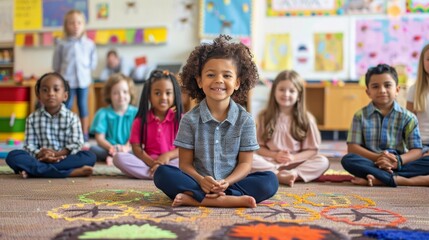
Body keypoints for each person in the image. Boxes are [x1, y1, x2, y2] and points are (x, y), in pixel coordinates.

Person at [153, 35, 278, 208]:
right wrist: (202, 180)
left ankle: (198, 199)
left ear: (237, 82)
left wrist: (226, 182)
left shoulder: (246, 120)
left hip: (231, 183)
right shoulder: (189, 119)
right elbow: (185, 164)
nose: (219, 80)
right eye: (211, 74)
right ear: (199, 81)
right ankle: (226, 200)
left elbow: (245, 164)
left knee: (270, 180)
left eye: (227, 75)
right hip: (198, 182)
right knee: (162, 173)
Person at [341, 63, 429, 187]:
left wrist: (397, 161)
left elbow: (416, 151)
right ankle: (391, 177)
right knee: (348, 160)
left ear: (397, 90)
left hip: (399, 162)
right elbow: (353, 148)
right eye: (375, 86)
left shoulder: (408, 117)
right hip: (372, 161)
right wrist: (379, 158)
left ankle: (380, 177)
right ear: (368, 92)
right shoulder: (360, 116)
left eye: (387, 85)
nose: (382, 90)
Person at [5, 72, 96, 178]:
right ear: (38, 95)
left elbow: (76, 144)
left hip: (64, 158)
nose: (51, 93)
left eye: (56, 89)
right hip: (40, 158)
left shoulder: (73, 118)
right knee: (13, 156)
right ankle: (70, 172)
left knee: (90, 156)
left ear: (65, 96)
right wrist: (41, 154)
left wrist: (56, 155)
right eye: (45, 90)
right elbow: (29, 146)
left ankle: (35, 171)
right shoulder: (32, 118)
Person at [252, 70, 329, 187]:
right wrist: (275, 156)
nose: (286, 94)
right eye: (282, 89)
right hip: (270, 161)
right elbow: (259, 148)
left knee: (323, 161)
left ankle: (293, 174)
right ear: (274, 92)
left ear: (299, 95)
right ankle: (278, 174)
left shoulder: (307, 119)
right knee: (249, 159)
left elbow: (312, 150)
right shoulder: (263, 116)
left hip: (296, 163)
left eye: (292, 91)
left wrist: (293, 157)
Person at [113, 69, 184, 179]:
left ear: (174, 95)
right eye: (157, 93)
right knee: (118, 158)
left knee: (192, 160)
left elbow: (185, 148)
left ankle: (157, 173)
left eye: (168, 93)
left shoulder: (181, 119)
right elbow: (136, 148)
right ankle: (161, 174)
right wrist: (153, 163)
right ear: (149, 96)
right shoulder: (140, 120)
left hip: (171, 161)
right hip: (148, 163)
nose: (163, 97)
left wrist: (167, 156)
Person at [52, 9, 98, 141]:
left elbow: (93, 62)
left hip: (83, 81)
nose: (76, 25)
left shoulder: (89, 44)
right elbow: (56, 64)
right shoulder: (61, 44)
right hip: (67, 82)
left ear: (83, 25)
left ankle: (84, 133)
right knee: (66, 106)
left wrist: (87, 72)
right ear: (66, 25)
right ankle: (64, 133)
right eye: (72, 23)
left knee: (83, 106)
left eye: (79, 22)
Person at [89, 73, 138, 165]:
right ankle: (118, 157)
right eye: (115, 93)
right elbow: (99, 138)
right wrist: (112, 148)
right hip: (108, 148)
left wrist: (126, 147)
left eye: (125, 92)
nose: (121, 96)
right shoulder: (102, 113)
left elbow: (138, 136)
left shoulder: (137, 113)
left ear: (130, 93)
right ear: (109, 95)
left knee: (141, 151)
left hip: (130, 148)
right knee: (93, 150)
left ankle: (116, 158)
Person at [407, 44, 429, 157]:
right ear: (422, 62)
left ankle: (399, 175)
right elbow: (409, 126)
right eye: (428, 59)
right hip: (421, 145)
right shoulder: (414, 90)